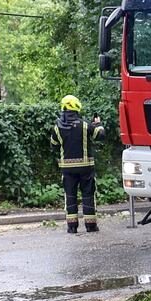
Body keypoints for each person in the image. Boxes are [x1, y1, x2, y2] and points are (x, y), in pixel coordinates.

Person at [51, 94, 104, 234]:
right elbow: (100, 135)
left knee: (70, 196)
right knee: (88, 195)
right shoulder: (85, 125)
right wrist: (98, 124)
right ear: (77, 107)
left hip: (67, 169)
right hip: (86, 167)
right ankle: (91, 226)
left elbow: (54, 145)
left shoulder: (57, 127)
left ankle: (72, 226)